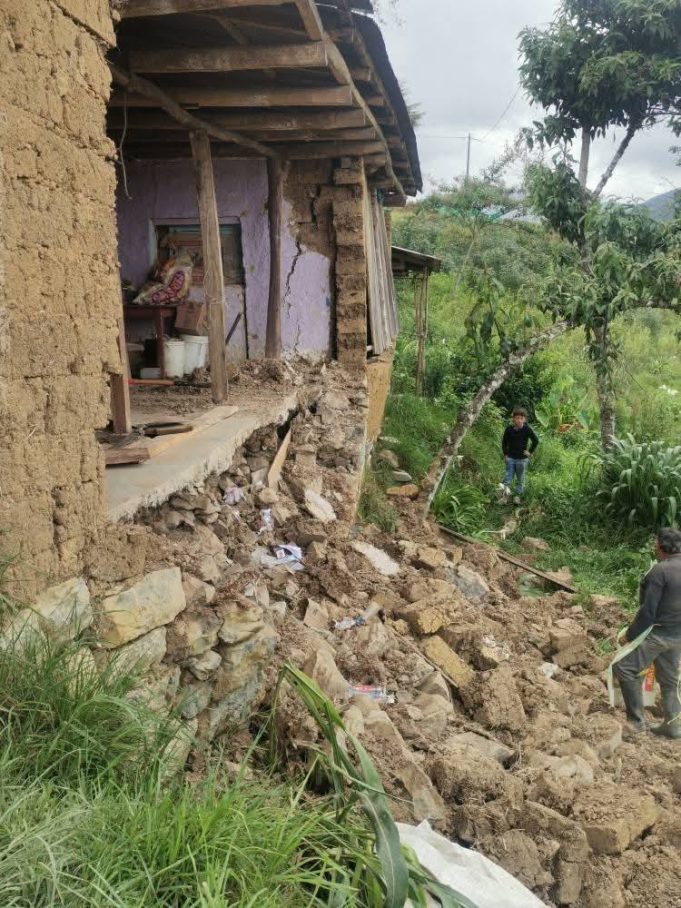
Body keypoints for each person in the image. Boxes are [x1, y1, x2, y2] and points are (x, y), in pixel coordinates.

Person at [614, 527, 681, 738]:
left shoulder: (660, 571)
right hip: (678, 635)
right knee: (669, 680)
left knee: (624, 667)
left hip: (659, 634)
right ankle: (672, 725)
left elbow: (648, 612)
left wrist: (630, 636)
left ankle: (637, 722)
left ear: (660, 546)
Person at [500, 407, 539, 504]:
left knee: (520, 479)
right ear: (513, 419)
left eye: (521, 418)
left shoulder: (527, 429)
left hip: (522, 460)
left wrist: (529, 452)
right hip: (510, 458)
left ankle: (517, 496)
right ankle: (505, 497)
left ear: (524, 419)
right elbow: (504, 442)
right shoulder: (509, 429)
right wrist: (505, 454)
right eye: (517, 418)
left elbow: (535, 440)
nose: (519, 420)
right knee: (507, 478)